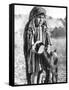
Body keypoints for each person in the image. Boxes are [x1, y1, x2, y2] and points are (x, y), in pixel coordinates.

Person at [24, 6, 52, 84]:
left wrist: (47, 48)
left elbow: (48, 41)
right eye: (39, 17)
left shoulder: (44, 28)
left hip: (43, 53)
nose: (41, 20)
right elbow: (31, 44)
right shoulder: (31, 28)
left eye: (43, 18)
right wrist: (36, 47)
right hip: (34, 54)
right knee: (35, 72)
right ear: (34, 17)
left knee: (42, 70)